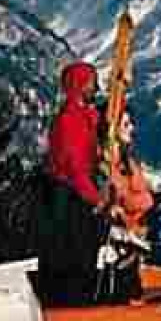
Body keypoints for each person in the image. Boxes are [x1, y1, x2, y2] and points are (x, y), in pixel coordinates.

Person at [36, 61, 113, 305]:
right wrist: (95, 198)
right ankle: (75, 309)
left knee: (80, 255)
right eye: (91, 83)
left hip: (71, 194)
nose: (95, 87)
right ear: (79, 86)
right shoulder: (70, 120)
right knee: (75, 256)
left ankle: (78, 304)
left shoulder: (80, 115)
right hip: (69, 199)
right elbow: (74, 166)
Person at [105, 110, 154, 236]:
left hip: (142, 228)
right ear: (113, 130)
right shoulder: (110, 164)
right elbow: (122, 199)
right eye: (126, 124)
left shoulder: (127, 160)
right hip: (130, 233)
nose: (132, 128)